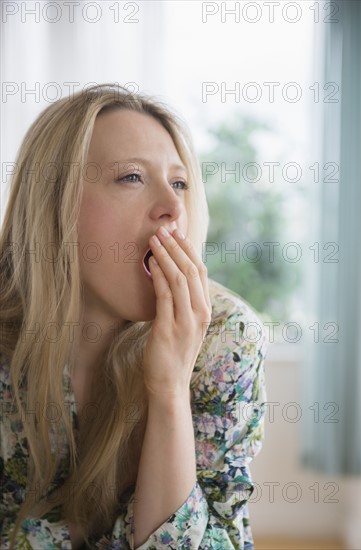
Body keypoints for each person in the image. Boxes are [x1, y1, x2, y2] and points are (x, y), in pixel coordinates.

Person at [0, 83, 268, 549]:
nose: (172, 207)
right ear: (54, 205)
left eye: (180, 183)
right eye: (131, 177)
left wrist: (168, 391)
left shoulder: (226, 339)